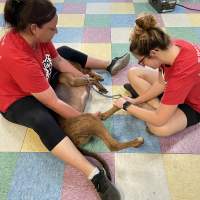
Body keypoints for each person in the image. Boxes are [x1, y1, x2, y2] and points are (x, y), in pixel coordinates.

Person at [0, 0, 130, 199]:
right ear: (34, 28)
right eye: (52, 28)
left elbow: (58, 60)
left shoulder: (36, 35)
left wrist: (84, 78)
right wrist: (85, 118)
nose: (57, 31)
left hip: (40, 77)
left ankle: (110, 64)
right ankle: (94, 174)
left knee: (65, 51)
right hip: (17, 99)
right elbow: (53, 102)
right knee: (42, 119)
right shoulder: (17, 57)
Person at [114, 14, 200, 137]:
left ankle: (160, 109)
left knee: (157, 127)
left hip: (194, 105)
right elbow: (161, 83)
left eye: (142, 61)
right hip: (183, 86)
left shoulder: (181, 75)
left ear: (153, 52)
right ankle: (161, 107)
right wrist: (136, 100)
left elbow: (159, 120)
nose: (143, 65)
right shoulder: (171, 47)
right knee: (133, 72)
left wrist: (126, 105)